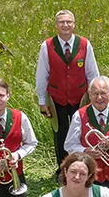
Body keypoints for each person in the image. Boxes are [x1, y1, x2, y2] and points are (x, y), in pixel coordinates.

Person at [35, 10, 100, 166]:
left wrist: (95, 96)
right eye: (62, 22)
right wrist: (42, 100)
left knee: (82, 133)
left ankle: (83, 165)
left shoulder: (84, 44)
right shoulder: (47, 45)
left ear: (74, 24)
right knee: (60, 135)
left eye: (69, 22)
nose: (65, 25)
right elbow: (42, 74)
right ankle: (63, 168)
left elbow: (92, 73)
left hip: (80, 98)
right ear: (56, 25)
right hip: (57, 98)